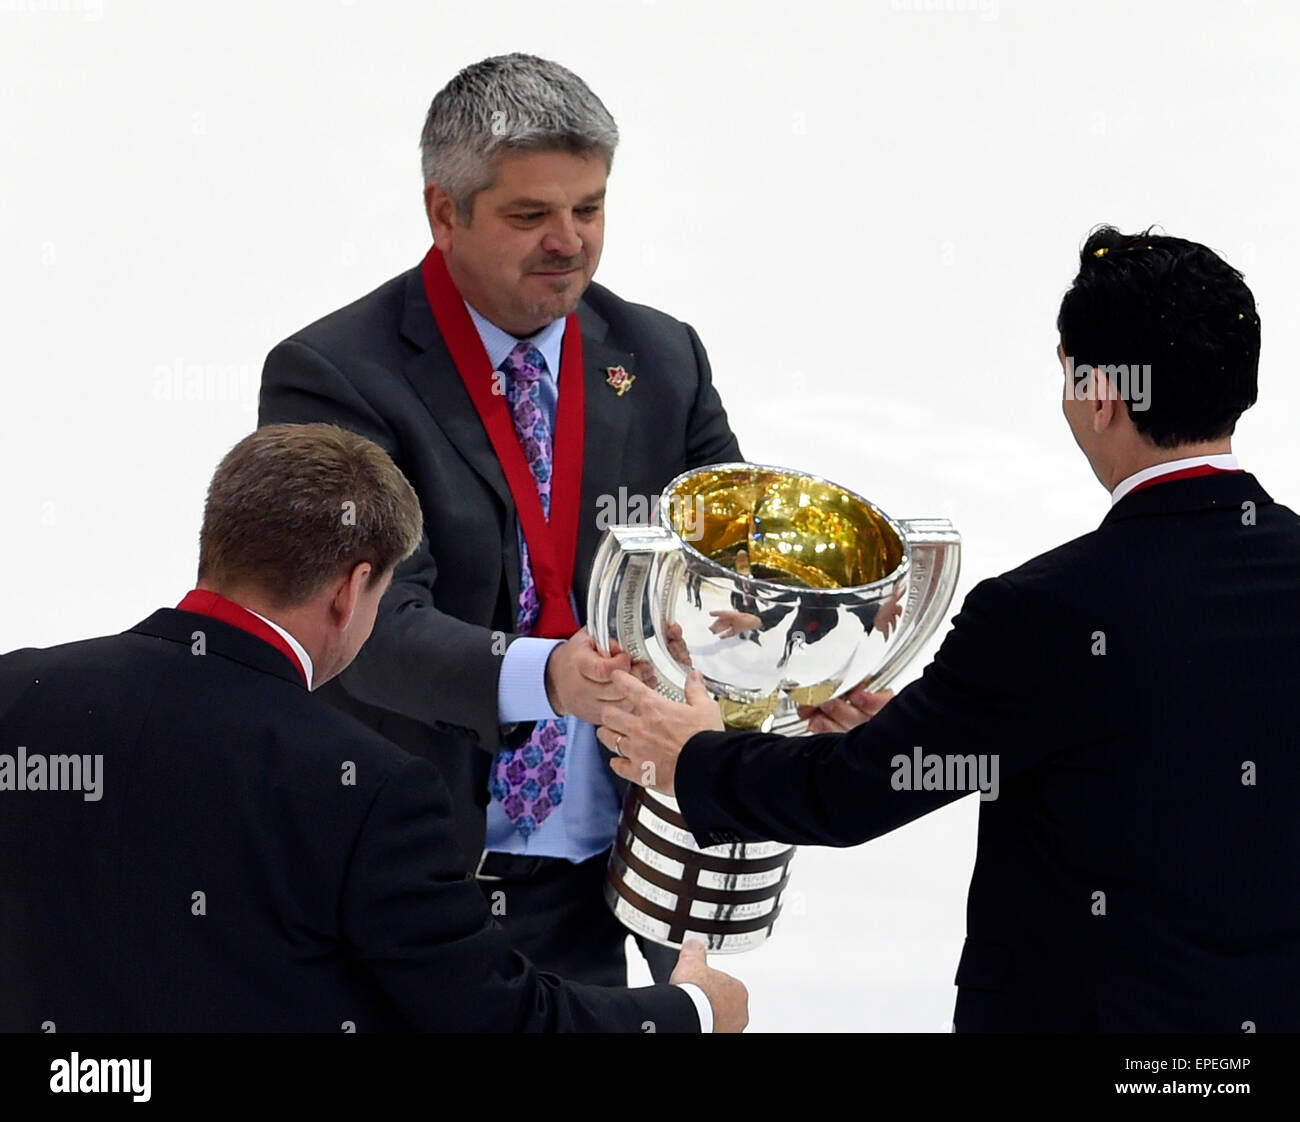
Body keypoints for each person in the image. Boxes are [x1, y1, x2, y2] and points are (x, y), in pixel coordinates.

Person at [597, 226, 1300, 1032]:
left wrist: (692, 759)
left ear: (1100, 394)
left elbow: (850, 795)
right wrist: (924, 729)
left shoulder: (1046, 611)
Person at [0, 424, 746, 1032]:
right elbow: (498, 1023)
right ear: (354, 588)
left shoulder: (16, 692)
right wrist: (691, 1010)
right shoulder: (369, 791)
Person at [258, 54, 740, 986]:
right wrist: (548, 674)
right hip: (399, 875)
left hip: (594, 881)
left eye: (590, 208)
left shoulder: (662, 357)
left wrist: (805, 680)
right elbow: (363, 628)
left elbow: (721, 584)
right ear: (444, 211)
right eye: (530, 216)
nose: (569, 242)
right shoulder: (333, 375)